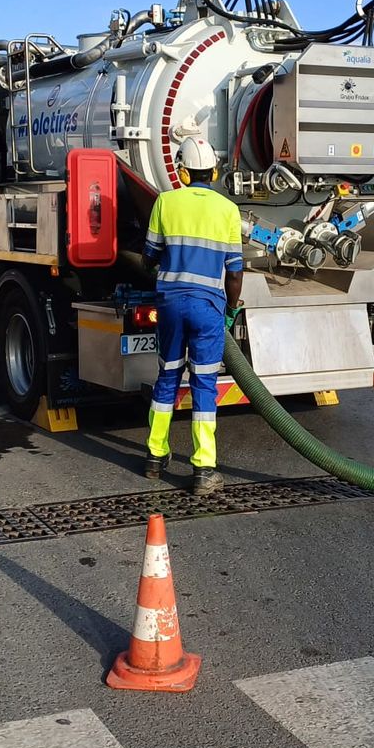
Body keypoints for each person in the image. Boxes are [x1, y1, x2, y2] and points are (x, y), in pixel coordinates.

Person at [142, 137, 244, 495]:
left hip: (170, 305)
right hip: (208, 308)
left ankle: (155, 456)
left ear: (182, 173)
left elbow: (149, 256)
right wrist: (231, 309)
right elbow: (234, 273)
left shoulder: (165, 202)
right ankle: (203, 469)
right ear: (214, 173)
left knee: (167, 377)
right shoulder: (228, 210)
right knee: (204, 384)